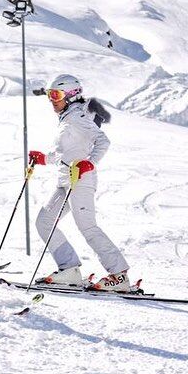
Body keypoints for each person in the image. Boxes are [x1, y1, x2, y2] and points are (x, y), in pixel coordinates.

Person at [29, 74, 130, 292]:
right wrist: (43, 158)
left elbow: (103, 140)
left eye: (56, 95)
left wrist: (89, 163)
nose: (52, 100)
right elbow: (63, 152)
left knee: (87, 227)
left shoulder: (77, 117)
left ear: (71, 95)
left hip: (81, 180)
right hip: (65, 180)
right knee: (44, 221)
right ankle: (70, 269)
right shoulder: (67, 118)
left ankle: (119, 275)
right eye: (49, 95)